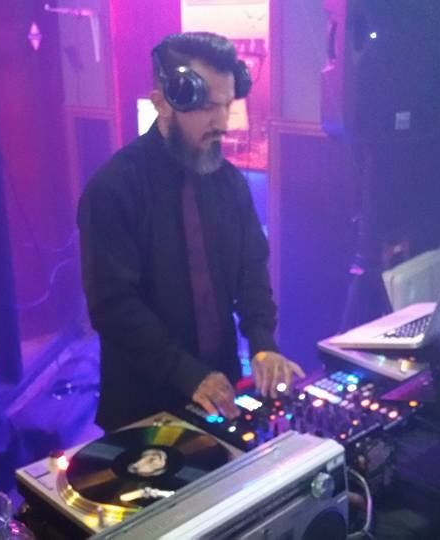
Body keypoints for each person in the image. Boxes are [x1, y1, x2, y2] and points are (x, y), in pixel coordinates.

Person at [78, 32, 304, 431]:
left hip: (223, 390)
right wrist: (188, 373)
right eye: (207, 107)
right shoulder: (113, 189)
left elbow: (252, 270)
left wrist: (263, 344)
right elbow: (114, 307)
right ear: (163, 102)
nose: (222, 122)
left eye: (227, 105)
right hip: (144, 403)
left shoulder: (229, 183)